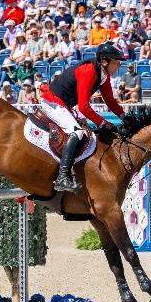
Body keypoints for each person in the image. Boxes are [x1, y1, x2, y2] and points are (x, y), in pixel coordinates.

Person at [39, 42, 127, 192]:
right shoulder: (89, 70)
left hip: (64, 104)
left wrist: (124, 116)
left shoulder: (103, 75)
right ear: (105, 61)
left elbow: (110, 100)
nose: (118, 66)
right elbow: (84, 107)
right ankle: (62, 177)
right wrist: (103, 123)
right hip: (52, 102)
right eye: (116, 62)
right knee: (78, 132)